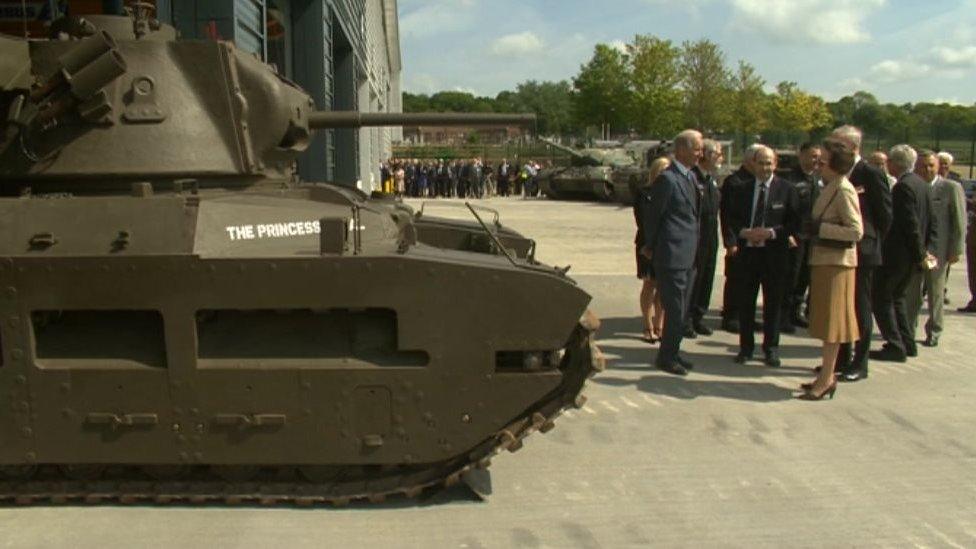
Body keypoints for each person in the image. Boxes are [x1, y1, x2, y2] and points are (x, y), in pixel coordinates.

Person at [801, 137, 864, 401]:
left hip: (837, 265)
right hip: (825, 261)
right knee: (826, 322)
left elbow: (856, 230)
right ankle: (826, 374)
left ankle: (827, 378)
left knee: (833, 323)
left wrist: (821, 229)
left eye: (823, 160)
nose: (818, 164)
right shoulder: (832, 186)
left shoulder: (843, 189)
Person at [638, 129, 703, 376]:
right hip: (672, 254)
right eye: (696, 149)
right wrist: (651, 246)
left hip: (688, 255)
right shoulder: (668, 179)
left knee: (682, 309)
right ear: (682, 149)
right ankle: (667, 357)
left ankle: (672, 351)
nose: (700, 154)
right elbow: (653, 217)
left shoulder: (689, 177)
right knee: (675, 309)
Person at [726, 146, 797, 367]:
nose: (765, 167)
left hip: (774, 256)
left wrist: (771, 233)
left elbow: (795, 222)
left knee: (773, 304)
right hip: (747, 255)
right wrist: (743, 233)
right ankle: (746, 348)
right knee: (746, 302)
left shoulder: (787, 190)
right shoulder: (741, 189)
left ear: (775, 164)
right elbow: (730, 218)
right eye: (761, 163)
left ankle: (771, 348)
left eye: (769, 163)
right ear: (752, 164)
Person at [831, 126, 892, 382]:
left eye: (838, 145)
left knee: (860, 306)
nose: (833, 150)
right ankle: (840, 359)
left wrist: (872, 242)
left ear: (854, 147)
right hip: (841, 250)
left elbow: (885, 214)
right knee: (843, 306)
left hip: (863, 251)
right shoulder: (837, 172)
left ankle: (860, 362)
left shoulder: (870, 173)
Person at [871, 145, 937, 363]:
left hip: (899, 256)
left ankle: (894, 344)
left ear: (895, 164)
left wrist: (919, 254)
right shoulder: (923, 185)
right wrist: (925, 252)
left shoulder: (903, 187)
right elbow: (930, 223)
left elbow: (910, 224)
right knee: (897, 298)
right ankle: (906, 342)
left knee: (881, 298)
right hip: (912, 255)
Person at [909, 151, 966, 347]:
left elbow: (959, 221)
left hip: (938, 251)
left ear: (938, 166)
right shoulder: (913, 187)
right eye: (923, 166)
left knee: (935, 292)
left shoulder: (950, 188)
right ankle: (908, 329)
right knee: (912, 292)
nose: (927, 169)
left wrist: (956, 249)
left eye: (931, 165)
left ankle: (934, 331)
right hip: (916, 250)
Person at [719, 144, 762, 333]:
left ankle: (747, 316)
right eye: (759, 161)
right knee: (736, 278)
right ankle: (731, 316)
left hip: (756, 240)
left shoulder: (758, 181)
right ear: (749, 161)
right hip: (739, 238)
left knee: (751, 281)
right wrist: (731, 241)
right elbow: (727, 215)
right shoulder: (734, 182)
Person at [783, 142, 823, 331]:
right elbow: (784, 211)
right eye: (813, 156)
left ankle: (795, 312)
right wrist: (788, 234)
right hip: (795, 236)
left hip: (811, 237)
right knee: (791, 277)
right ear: (802, 156)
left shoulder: (817, 179)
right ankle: (783, 317)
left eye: (818, 156)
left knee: (805, 277)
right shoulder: (790, 179)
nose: (816, 160)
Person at [686, 139, 723, 338]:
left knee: (707, 276)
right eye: (717, 153)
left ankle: (699, 315)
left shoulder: (711, 179)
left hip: (710, 235)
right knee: (695, 278)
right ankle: (688, 319)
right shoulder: (693, 178)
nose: (720, 158)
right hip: (697, 236)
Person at [634, 157, 671, 343]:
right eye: (661, 169)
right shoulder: (644, 192)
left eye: (668, 170)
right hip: (647, 244)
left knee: (663, 286)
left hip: (667, 244)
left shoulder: (672, 191)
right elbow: (642, 221)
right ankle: (647, 325)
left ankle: (660, 323)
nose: (664, 173)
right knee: (649, 285)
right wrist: (650, 245)